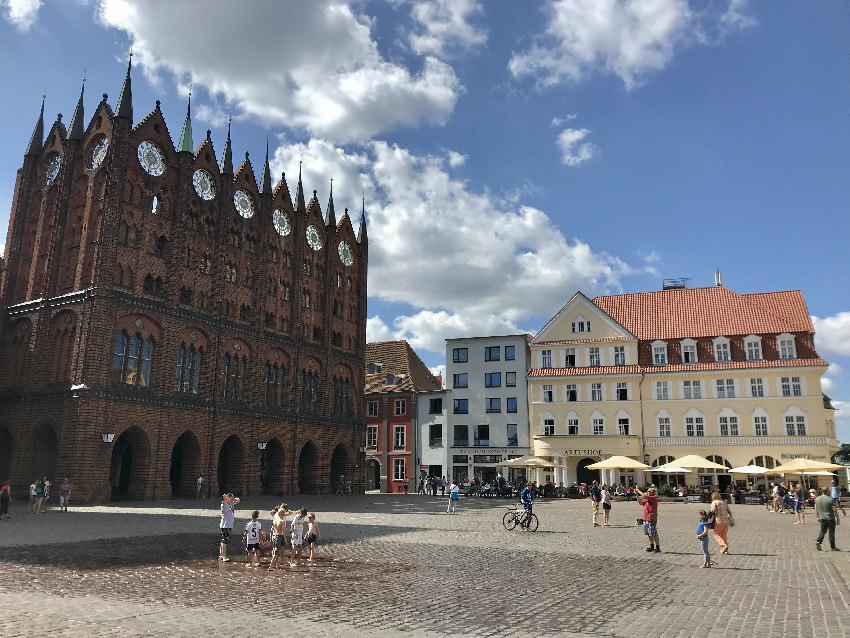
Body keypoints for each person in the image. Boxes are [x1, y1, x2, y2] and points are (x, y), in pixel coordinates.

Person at [815, 487, 840, 551]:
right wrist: (838, 518)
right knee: (831, 533)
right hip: (830, 518)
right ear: (827, 492)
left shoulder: (817, 499)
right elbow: (834, 510)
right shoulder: (830, 499)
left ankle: (819, 542)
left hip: (822, 518)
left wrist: (817, 517)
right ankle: (833, 547)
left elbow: (816, 509)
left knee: (822, 531)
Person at [636, 486, 660, 553]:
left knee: (654, 533)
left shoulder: (653, 498)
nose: (648, 492)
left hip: (651, 518)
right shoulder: (647, 499)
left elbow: (644, 496)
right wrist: (637, 494)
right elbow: (640, 502)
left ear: (652, 493)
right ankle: (651, 546)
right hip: (646, 518)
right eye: (648, 491)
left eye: (649, 491)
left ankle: (657, 547)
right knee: (649, 533)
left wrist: (638, 490)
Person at [218, 492, 240, 562]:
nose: (233, 500)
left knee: (224, 540)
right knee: (224, 540)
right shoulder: (224, 505)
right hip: (225, 525)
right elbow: (224, 496)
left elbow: (238, 500)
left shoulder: (231, 504)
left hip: (229, 525)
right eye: (231, 498)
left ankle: (221, 555)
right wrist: (228, 498)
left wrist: (232, 499)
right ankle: (223, 556)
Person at [709, 490, 732, 554]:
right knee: (724, 535)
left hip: (719, 520)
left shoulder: (715, 502)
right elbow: (729, 511)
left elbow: (713, 510)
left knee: (716, 534)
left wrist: (710, 510)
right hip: (726, 521)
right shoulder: (724, 502)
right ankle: (726, 550)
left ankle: (723, 545)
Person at [268, 503, 289, 571]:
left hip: (275, 535)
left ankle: (277, 564)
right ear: (283, 514)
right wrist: (285, 540)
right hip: (280, 537)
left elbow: (272, 529)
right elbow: (283, 532)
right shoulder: (282, 521)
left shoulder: (275, 520)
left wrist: (271, 536)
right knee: (276, 553)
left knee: (277, 550)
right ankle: (271, 566)